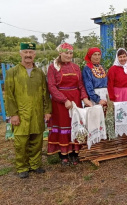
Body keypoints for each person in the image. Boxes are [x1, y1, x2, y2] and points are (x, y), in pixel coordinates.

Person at [5, 42, 52, 178]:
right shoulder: (12, 72)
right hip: (21, 114)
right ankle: (22, 167)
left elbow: (45, 93)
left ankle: (35, 165)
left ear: (34, 54)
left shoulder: (40, 73)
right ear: (20, 53)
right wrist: (13, 114)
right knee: (21, 143)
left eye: (31, 53)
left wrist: (47, 110)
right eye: (25, 52)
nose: (28, 55)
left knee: (37, 141)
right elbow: (9, 95)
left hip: (37, 113)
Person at [47, 43, 93, 166]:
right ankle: (63, 155)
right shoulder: (53, 67)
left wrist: (85, 99)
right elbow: (51, 87)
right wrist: (64, 100)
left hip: (76, 100)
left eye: (70, 53)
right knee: (64, 125)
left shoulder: (76, 67)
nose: (68, 55)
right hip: (61, 102)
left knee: (76, 124)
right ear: (60, 53)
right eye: (66, 53)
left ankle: (74, 153)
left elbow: (81, 85)